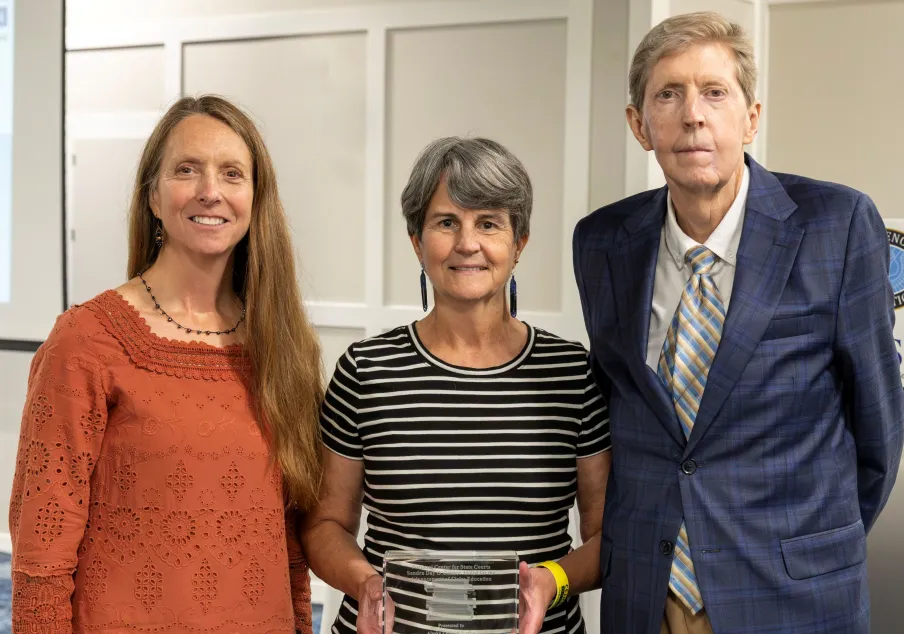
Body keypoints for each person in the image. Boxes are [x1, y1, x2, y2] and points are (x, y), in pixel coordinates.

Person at [572, 11, 904, 634]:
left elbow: (879, 434)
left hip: (794, 596)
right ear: (639, 126)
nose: (693, 115)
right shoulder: (601, 241)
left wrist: (809, 545)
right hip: (647, 595)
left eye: (714, 92)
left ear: (751, 118)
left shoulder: (837, 224)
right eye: (667, 95)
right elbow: (622, 409)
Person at [9, 95, 323, 634]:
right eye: (186, 170)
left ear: (255, 199)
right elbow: (42, 554)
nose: (211, 191)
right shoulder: (85, 342)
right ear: (153, 197)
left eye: (232, 174)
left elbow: (287, 540)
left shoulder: (282, 344)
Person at [300, 137, 611, 634]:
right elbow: (324, 526)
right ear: (417, 241)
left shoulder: (571, 373)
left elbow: (606, 536)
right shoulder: (366, 370)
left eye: (489, 223)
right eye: (447, 222)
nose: (468, 244)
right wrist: (366, 583)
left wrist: (550, 581)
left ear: (519, 243)